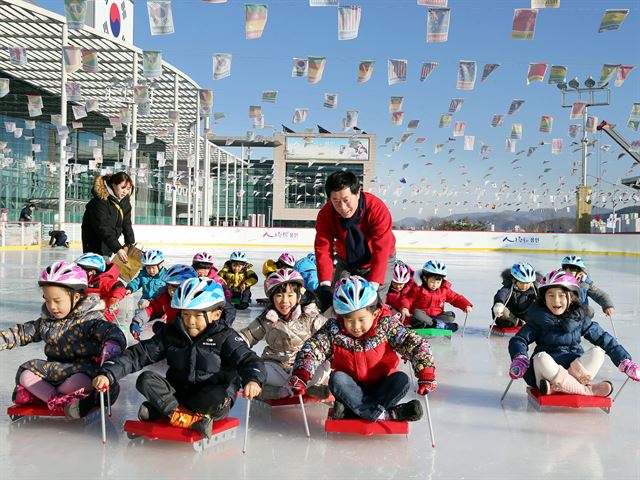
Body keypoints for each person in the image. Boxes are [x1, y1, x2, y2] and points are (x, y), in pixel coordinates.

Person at [93, 277, 266, 439]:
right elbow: (138, 355)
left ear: (216, 314)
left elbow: (249, 360)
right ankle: (185, 417)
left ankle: (165, 411)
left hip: (211, 397)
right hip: (180, 392)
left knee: (216, 396)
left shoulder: (226, 336)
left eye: (197, 315)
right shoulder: (171, 333)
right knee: (145, 379)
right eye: (185, 314)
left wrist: (254, 380)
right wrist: (108, 372)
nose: (190, 321)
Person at [289, 276, 437, 422]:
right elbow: (313, 349)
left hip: (382, 386)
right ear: (341, 317)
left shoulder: (386, 326)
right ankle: (387, 414)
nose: (356, 326)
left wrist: (426, 373)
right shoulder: (334, 330)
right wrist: (302, 374)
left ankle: (353, 411)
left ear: (374, 312)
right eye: (349, 320)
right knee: (337, 379)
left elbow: (413, 342)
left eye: (361, 319)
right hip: (351, 390)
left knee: (402, 380)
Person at [0, 261, 126, 418]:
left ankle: (43, 395)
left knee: (79, 381)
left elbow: (111, 331)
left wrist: (112, 343)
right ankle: (58, 400)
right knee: (26, 374)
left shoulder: (90, 319)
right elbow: (21, 333)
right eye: (47, 300)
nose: (52, 307)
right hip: (54, 371)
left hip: (84, 370)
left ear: (77, 296)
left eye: (57, 301)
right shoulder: (47, 321)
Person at [508, 270, 638, 397]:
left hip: (573, 370)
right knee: (541, 358)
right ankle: (587, 391)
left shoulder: (579, 319)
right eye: (551, 295)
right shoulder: (538, 319)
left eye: (561, 295)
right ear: (544, 299)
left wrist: (624, 360)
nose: (556, 300)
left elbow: (604, 338)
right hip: (546, 372)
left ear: (572, 298)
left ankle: (555, 388)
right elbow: (519, 340)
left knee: (598, 353)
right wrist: (520, 357)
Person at [239, 268, 329, 400]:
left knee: (325, 366)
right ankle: (279, 391)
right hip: (275, 366)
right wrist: (233, 348)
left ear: (299, 297)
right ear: (271, 298)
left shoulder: (310, 316)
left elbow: (329, 334)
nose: (284, 301)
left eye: (290, 295)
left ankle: (309, 387)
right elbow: (247, 336)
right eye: (279, 295)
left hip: (303, 367)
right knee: (256, 369)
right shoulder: (267, 319)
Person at [314, 171, 397, 312]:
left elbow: (381, 249)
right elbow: (323, 249)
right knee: (337, 298)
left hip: (378, 259)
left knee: (373, 304)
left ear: (358, 193)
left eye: (346, 200)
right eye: (336, 201)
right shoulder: (325, 214)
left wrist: (374, 285)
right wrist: (325, 284)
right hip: (346, 260)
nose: (343, 207)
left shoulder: (377, 209)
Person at [130, 264, 227, 340]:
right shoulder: (165, 298)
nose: (172, 291)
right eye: (170, 286)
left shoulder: (200, 301)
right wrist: (136, 321)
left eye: (176, 287)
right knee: (158, 327)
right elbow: (153, 309)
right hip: (174, 333)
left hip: (196, 335)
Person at [400, 260, 472, 332]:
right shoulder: (418, 289)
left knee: (451, 315)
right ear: (425, 278)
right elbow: (407, 299)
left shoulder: (444, 290)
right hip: (422, 317)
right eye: (432, 282)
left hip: (437, 317)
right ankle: (441, 326)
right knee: (416, 313)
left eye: (438, 282)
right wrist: (405, 308)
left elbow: (455, 298)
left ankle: (434, 324)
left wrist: (465, 305)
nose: (435, 285)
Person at [81, 172, 135, 264]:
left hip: (108, 245)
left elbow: (126, 224)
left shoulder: (124, 201)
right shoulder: (100, 201)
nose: (125, 191)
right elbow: (103, 228)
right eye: (122, 188)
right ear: (113, 185)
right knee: (99, 273)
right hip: (95, 245)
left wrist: (130, 243)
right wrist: (117, 248)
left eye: (128, 189)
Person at [75, 253, 127, 323]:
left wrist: (115, 299)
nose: (78, 272)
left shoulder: (104, 280)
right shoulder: (83, 280)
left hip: (103, 314)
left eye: (81, 270)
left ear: (92, 272)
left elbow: (119, 286)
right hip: (86, 310)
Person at [492, 262, 540, 328]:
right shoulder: (509, 288)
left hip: (526, 317)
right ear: (514, 280)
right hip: (510, 318)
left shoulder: (534, 291)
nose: (525, 286)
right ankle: (519, 323)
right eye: (522, 282)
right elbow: (502, 294)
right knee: (502, 311)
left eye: (527, 283)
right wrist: (499, 303)